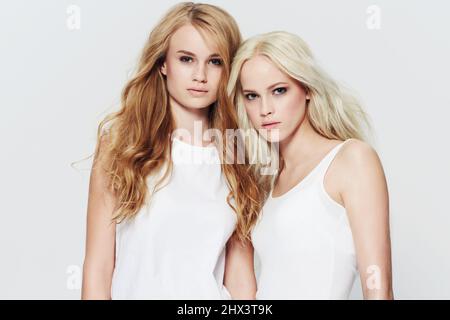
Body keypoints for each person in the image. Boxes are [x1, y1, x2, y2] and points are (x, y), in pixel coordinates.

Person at [81, 2, 265, 300]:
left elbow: (241, 279)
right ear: (163, 63)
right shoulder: (121, 143)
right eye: (186, 59)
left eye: (215, 61)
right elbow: (98, 267)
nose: (200, 75)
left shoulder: (238, 154)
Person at [227, 31, 394, 299]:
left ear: (306, 89)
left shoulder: (351, 160)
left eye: (279, 91)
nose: (265, 109)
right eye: (252, 96)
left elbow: (378, 289)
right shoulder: (264, 182)